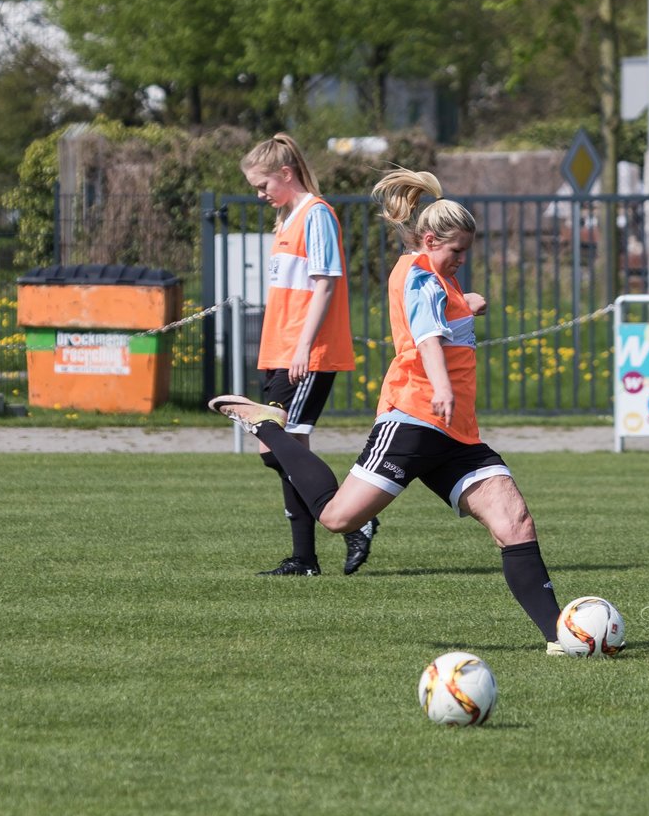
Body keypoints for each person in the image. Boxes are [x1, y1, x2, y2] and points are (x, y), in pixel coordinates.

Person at [210, 168, 568, 652]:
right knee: (337, 519)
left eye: (466, 251)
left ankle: (563, 638)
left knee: (515, 523)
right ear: (427, 240)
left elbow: (446, 315)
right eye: (455, 250)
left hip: (457, 434)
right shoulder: (419, 274)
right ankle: (269, 427)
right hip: (414, 419)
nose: (461, 259)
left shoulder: (438, 276)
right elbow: (427, 338)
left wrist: (469, 306)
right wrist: (441, 384)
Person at [238, 133, 379, 577]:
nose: (260, 194)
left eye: (263, 185)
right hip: (281, 350)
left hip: (306, 352)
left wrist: (301, 348)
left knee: (275, 441)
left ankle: (355, 518)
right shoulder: (287, 219)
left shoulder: (316, 215)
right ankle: (305, 559)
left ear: (286, 173)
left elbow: (325, 283)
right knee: (285, 446)